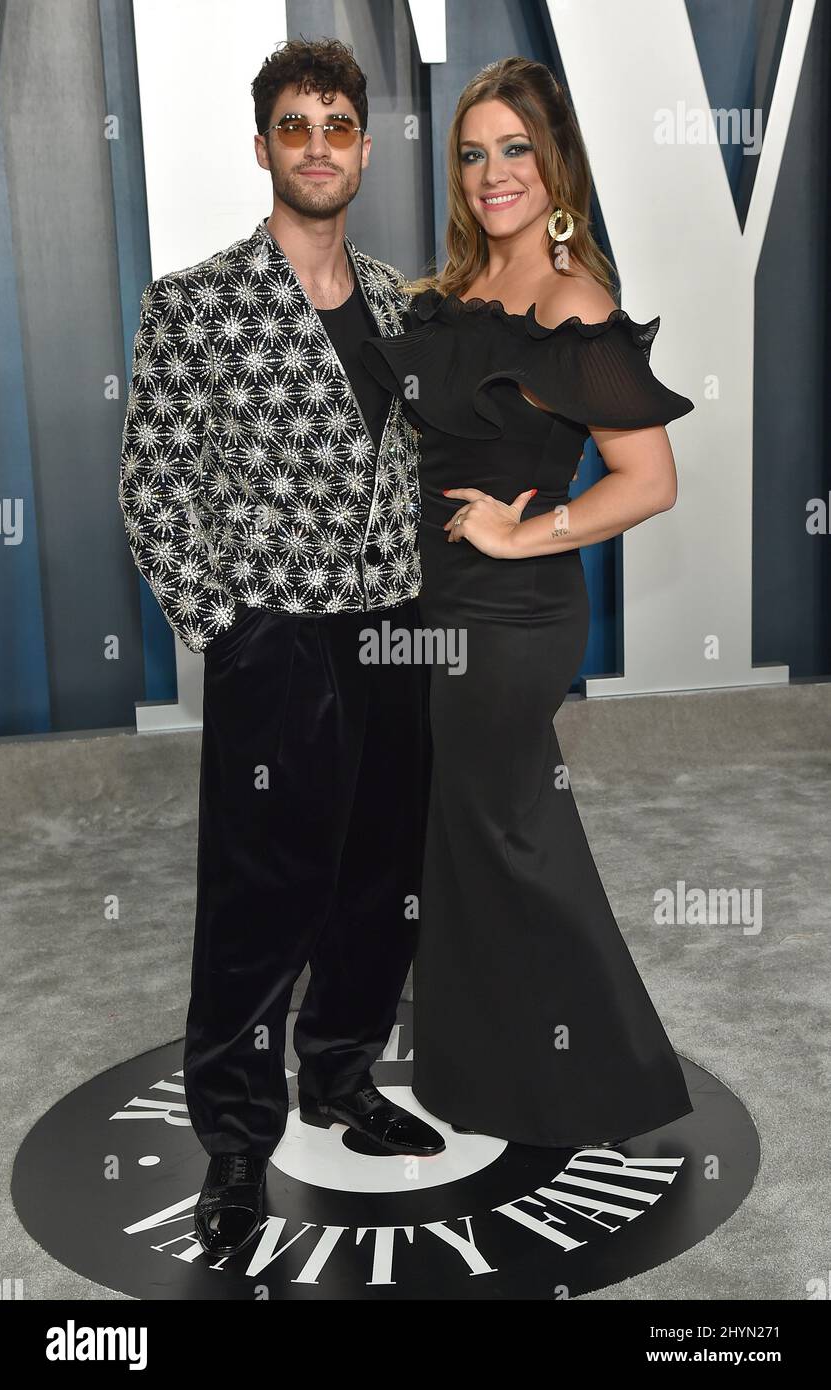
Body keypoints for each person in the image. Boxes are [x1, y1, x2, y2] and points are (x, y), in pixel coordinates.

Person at [119, 37, 443, 1261]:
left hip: (394, 636)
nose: (318, 146)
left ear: (364, 145)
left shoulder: (403, 303)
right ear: (264, 148)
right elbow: (153, 488)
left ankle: (344, 1076)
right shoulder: (196, 303)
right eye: (295, 127)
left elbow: (424, 466)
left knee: (378, 880)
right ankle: (239, 1145)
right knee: (260, 903)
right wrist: (228, 631)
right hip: (279, 646)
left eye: (338, 125)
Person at [362, 57, 696, 1147]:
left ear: (556, 168)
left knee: (505, 830)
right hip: (426, 602)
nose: (491, 172)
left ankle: (603, 1078)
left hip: (512, 619)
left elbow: (648, 479)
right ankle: (487, 1068)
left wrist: (523, 529)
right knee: (455, 830)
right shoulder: (449, 296)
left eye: (515, 149)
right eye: (473, 153)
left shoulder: (571, 302)